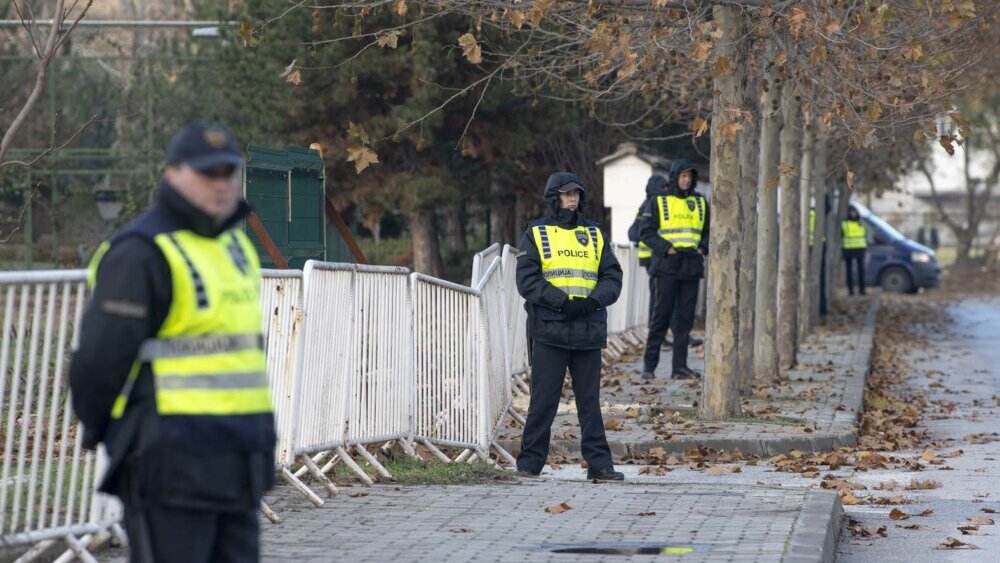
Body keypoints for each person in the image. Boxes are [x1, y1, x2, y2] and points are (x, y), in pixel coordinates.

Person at [70, 121, 276, 562]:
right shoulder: (141, 250)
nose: (220, 184)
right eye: (207, 173)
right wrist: (108, 434)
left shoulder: (233, 245)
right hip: (171, 463)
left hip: (238, 459)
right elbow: (98, 363)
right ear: (172, 175)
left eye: (228, 172)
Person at [515, 172, 624, 482]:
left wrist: (591, 302)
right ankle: (529, 463)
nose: (572, 198)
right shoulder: (536, 232)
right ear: (554, 197)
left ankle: (600, 465)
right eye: (566, 194)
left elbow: (612, 277)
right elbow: (527, 280)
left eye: (576, 193)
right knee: (543, 400)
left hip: (587, 327)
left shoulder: (595, 233)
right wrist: (562, 301)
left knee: (589, 402)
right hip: (550, 328)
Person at [638, 159, 709, 380]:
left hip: (691, 265)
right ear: (675, 177)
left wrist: (702, 248)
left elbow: (708, 230)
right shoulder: (659, 202)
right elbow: (645, 232)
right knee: (661, 317)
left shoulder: (700, 202)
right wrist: (666, 248)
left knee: (685, 321)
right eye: (682, 176)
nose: (686, 180)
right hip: (667, 265)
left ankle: (679, 367)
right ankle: (649, 366)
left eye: (689, 176)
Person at [628, 174, 703, 349]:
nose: (666, 190)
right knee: (659, 302)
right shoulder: (650, 204)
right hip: (654, 261)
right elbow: (634, 233)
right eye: (662, 188)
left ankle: (677, 336)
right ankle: (659, 338)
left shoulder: (665, 202)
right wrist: (656, 243)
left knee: (669, 301)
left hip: (664, 260)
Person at [841, 206, 868, 296]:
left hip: (860, 248)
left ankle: (862, 290)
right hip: (848, 249)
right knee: (849, 271)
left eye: (854, 212)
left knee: (861, 270)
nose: (853, 214)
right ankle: (851, 291)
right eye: (851, 212)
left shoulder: (861, 222)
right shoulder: (845, 223)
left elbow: (866, 234)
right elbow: (841, 236)